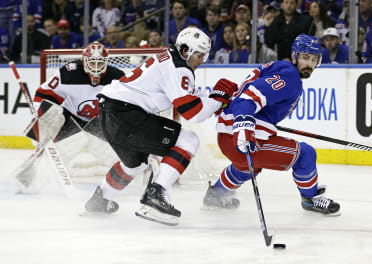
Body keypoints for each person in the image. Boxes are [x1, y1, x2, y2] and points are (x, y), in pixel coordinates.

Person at [84, 27, 238, 226]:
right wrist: (218, 100)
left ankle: (101, 199)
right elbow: (192, 112)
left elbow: (186, 97)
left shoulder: (168, 57)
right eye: (199, 55)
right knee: (188, 140)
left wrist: (211, 99)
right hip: (126, 115)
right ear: (185, 51)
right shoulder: (181, 69)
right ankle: (155, 195)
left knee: (135, 164)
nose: (201, 61)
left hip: (109, 111)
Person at [202, 34, 341, 216]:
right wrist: (244, 126)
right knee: (305, 154)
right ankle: (310, 198)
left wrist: (262, 123)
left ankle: (217, 193)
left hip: (227, 136)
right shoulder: (290, 76)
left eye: (314, 60)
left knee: (247, 167)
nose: (309, 64)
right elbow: (250, 96)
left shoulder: (279, 68)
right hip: (240, 135)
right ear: (294, 56)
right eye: (305, 58)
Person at [24, 42, 126, 185]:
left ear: (106, 62)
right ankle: (41, 174)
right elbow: (44, 93)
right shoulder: (68, 73)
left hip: (99, 122)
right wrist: (41, 115)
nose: (96, 67)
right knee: (53, 117)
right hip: (70, 119)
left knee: (115, 159)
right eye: (92, 62)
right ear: (84, 61)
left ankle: (134, 173)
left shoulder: (117, 77)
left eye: (100, 63)